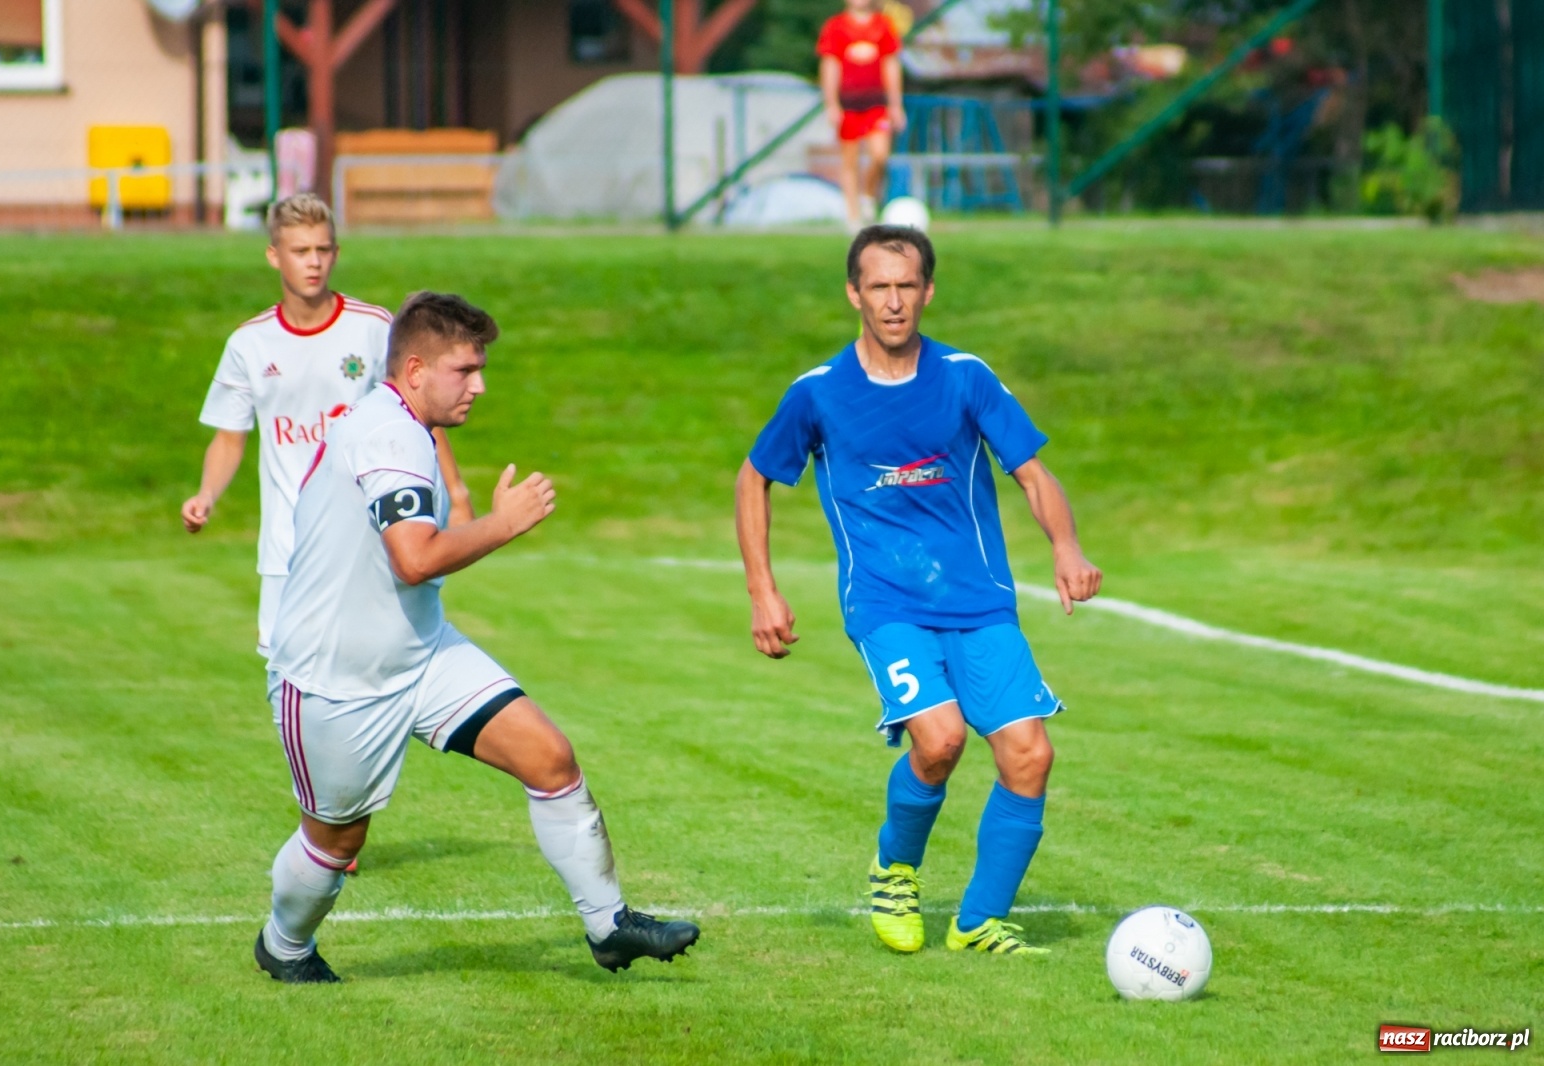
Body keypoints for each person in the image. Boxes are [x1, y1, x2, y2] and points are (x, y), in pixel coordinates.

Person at [254, 291, 700, 983]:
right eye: (465, 370)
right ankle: (284, 946)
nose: (479, 385)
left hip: (421, 651)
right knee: (337, 839)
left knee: (550, 758)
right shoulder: (387, 435)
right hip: (333, 677)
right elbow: (415, 559)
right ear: (414, 370)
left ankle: (609, 926)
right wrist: (504, 523)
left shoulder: (407, 427)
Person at [735, 226, 1102, 956]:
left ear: (928, 291)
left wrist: (1066, 547)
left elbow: (1031, 473)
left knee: (1030, 755)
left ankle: (979, 922)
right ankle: (895, 869)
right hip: (885, 602)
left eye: (907, 286)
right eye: (879, 286)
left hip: (980, 601)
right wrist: (762, 591)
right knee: (940, 741)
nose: (894, 301)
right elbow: (754, 478)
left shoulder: (965, 376)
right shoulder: (819, 392)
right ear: (854, 294)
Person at [183, 192, 471, 660]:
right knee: (288, 675)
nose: (313, 262)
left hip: (365, 542)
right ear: (274, 256)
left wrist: (456, 495)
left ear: (336, 252)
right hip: (287, 547)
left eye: (322, 249)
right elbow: (230, 438)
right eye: (301, 251)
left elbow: (419, 416)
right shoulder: (249, 344)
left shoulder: (374, 328)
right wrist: (206, 495)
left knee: (381, 667)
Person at [818, 0, 907, 231]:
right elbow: (830, 65)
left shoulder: (883, 25)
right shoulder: (835, 27)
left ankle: (868, 196)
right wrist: (831, 104)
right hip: (848, 104)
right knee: (850, 161)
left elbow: (891, 64)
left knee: (880, 155)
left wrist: (895, 104)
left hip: (876, 103)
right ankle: (853, 217)